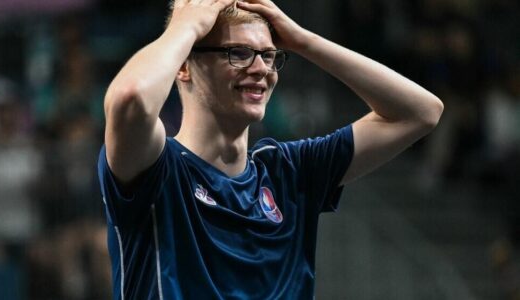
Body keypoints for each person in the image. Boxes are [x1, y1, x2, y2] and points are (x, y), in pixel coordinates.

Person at [97, 0, 444, 299]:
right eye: (239, 53)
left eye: (269, 55)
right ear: (185, 66)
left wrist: (303, 41)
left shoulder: (288, 172)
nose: (262, 68)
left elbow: (420, 112)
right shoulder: (157, 169)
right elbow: (130, 98)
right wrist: (185, 28)